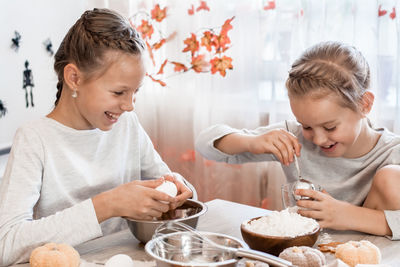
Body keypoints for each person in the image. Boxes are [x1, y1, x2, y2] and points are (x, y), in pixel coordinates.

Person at [0, 8, 195, 265]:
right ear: (74, 78)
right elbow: (6, 245)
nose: (130, 105)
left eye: (135, 92)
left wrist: (181, 188)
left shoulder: (128, 125)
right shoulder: (34, 139)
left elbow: (167, 183)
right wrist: (107, 205)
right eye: (118, 92)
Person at [195, 41, 400, 239]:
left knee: (391, 178)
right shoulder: (295, 139)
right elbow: (205, 143)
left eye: (330, 127)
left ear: (365, 104)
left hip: (372, 259)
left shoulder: (392, 153)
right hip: (304, 255)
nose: (318, 139)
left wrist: (347, 215)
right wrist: (251, 142)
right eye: (307, 126)